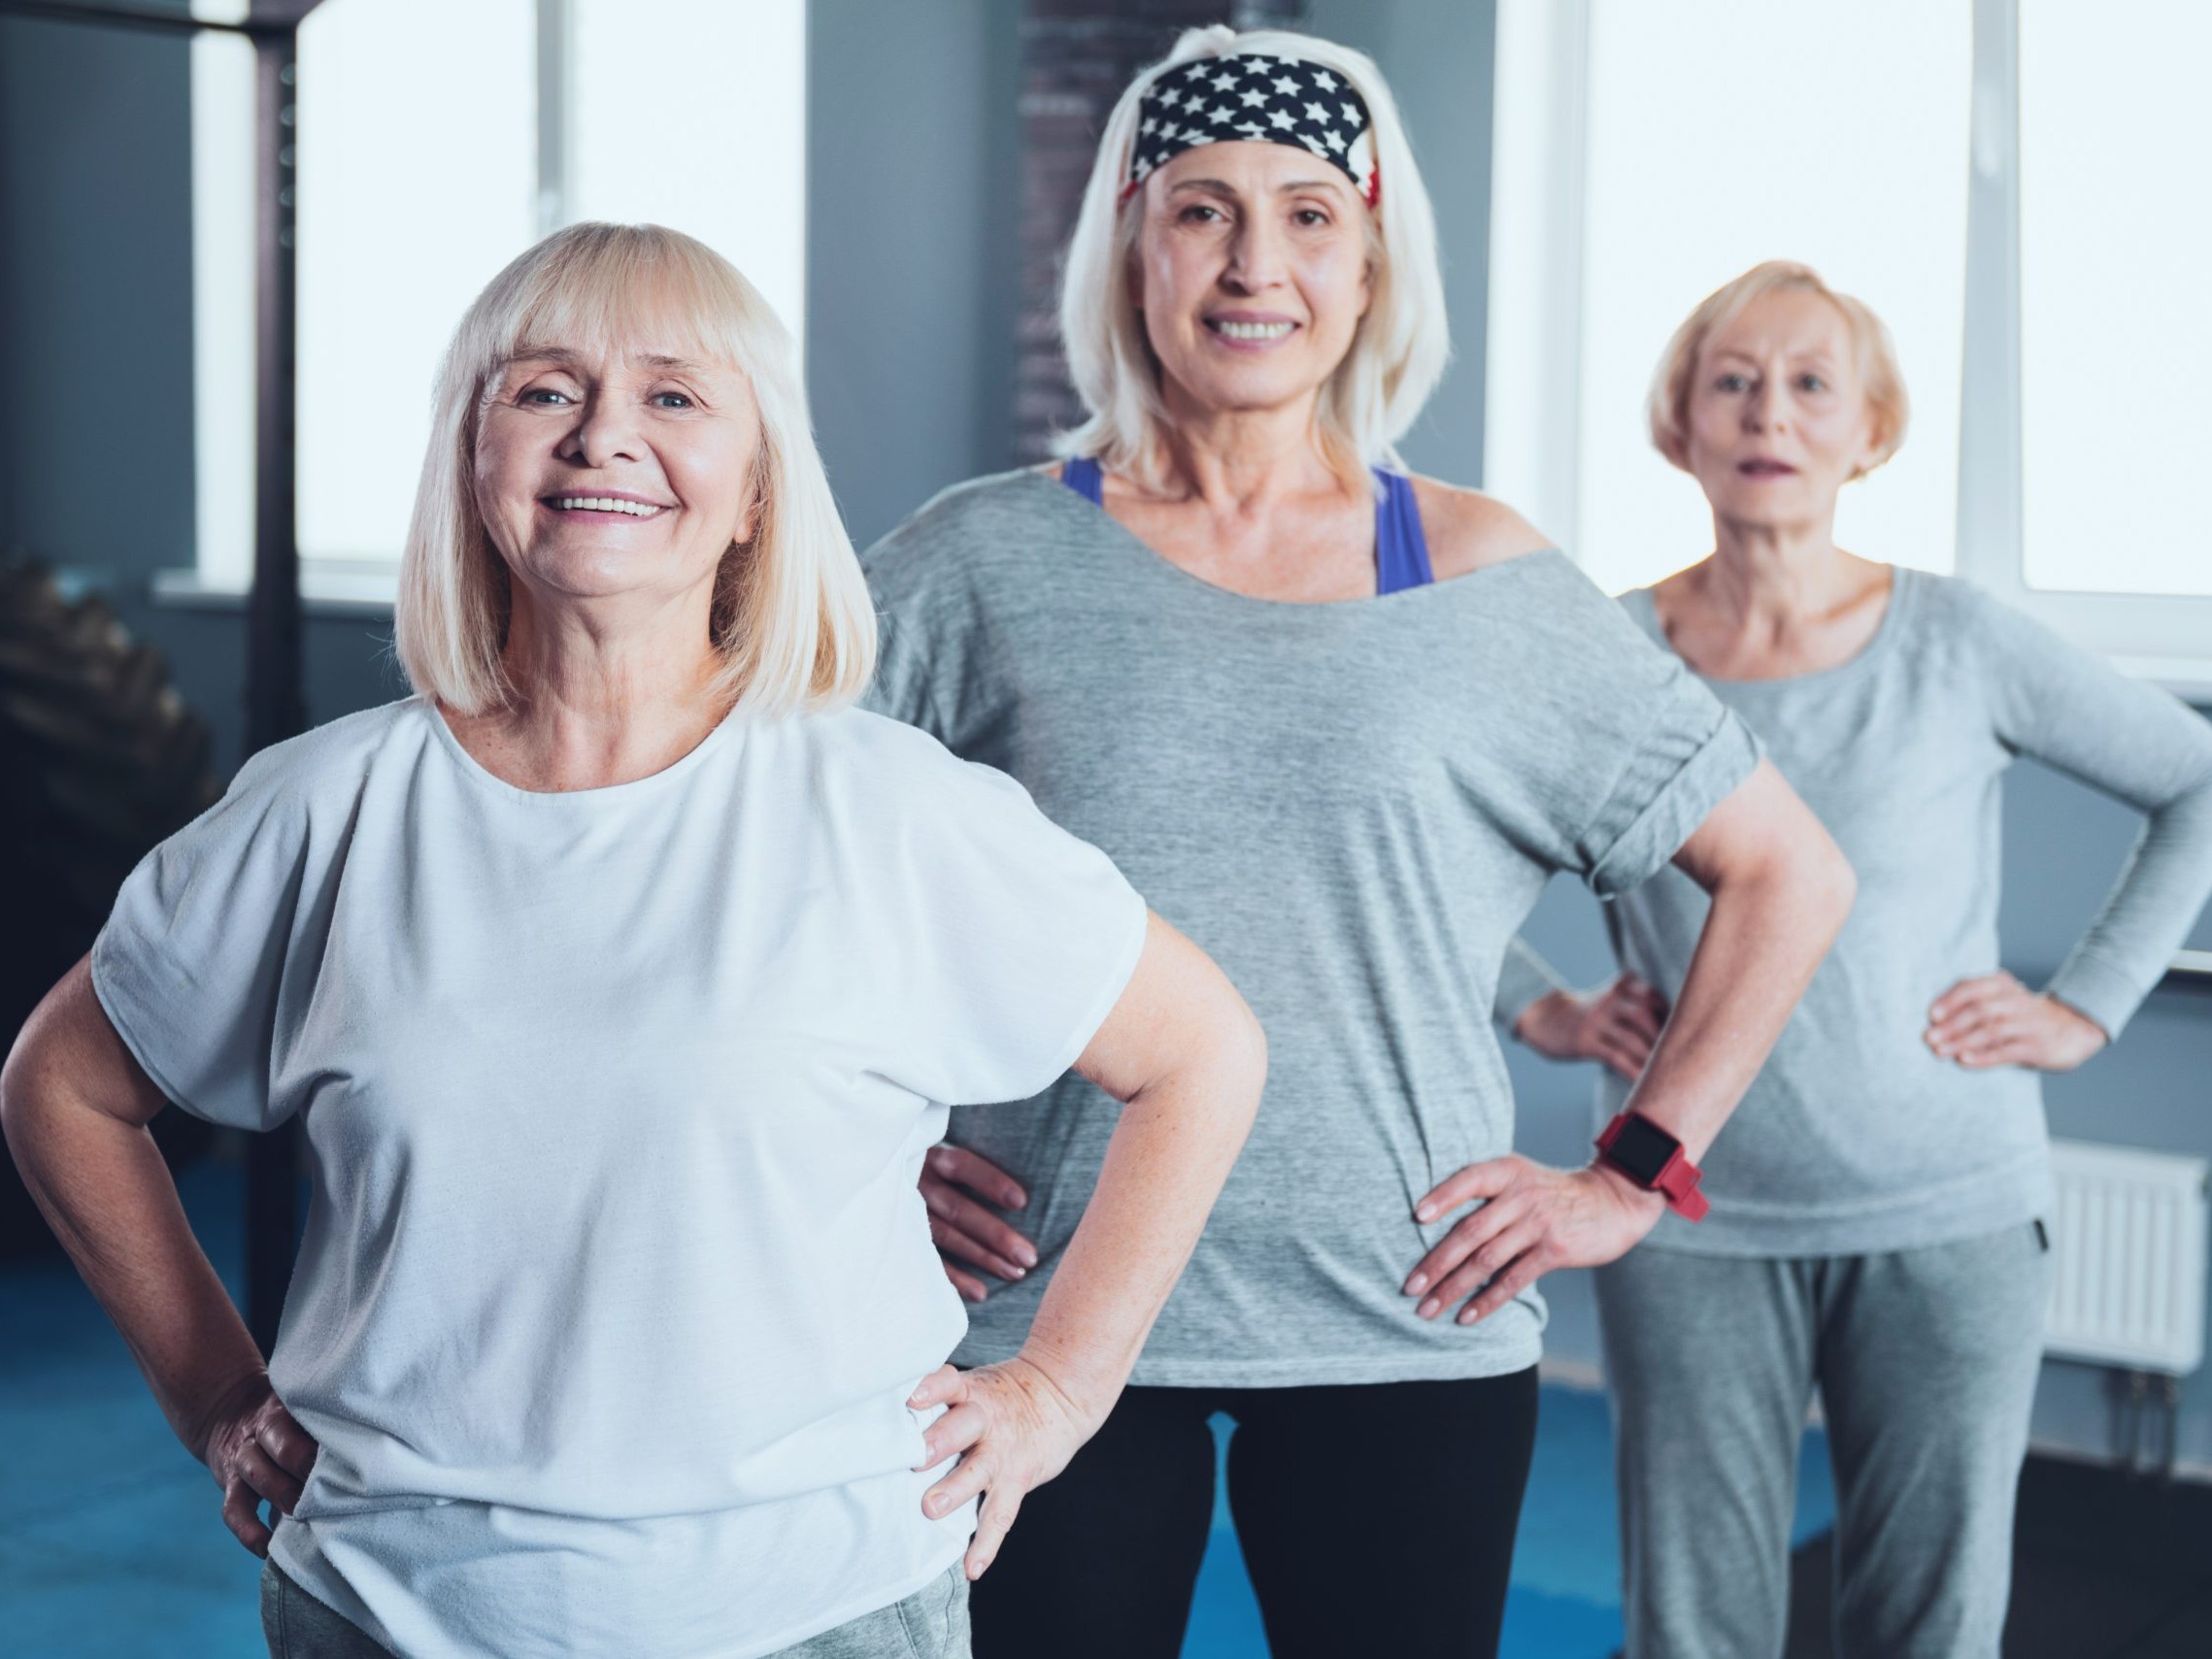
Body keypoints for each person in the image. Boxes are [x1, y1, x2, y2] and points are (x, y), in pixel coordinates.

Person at [0, 222, 1266, 1659]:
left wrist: (1055, 1391)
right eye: (543, 389)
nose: (604, 434)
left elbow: (1201, 1051)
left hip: (818, 1608)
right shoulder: (326, 806)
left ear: (753, 495)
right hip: (390, 1610)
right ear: (473, 463)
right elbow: (64, 1082)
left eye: (674, 395)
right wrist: (215, 1398)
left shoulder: (890, 809)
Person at [860, 29, 1857, 1659]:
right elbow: (777, 872)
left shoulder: (1477, 577)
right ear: (1129, 240)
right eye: (1202, 209)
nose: (1257, 263)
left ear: (1371, 253)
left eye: (1309, 213)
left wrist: (1628, 1173)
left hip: (1406, 1322)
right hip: (1047, 1329)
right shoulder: (980, 559)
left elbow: (1785, 870)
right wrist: (863, 1152)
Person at [1499, 259, 2212, 1658]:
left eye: (1810, 382)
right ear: (1676, 424)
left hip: (1944, 1212)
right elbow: (1422, 850)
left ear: (1867, 430)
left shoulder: (1955, 639)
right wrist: (1544, 1005)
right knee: (1689, 1631)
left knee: (1926, 1629)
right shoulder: (1610, 653)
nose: (1770, 411)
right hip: (1682, 1219)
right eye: (1732, 379)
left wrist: (2085, 1008)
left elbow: (2192, 780)